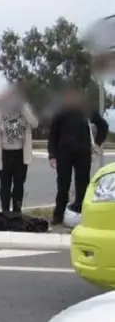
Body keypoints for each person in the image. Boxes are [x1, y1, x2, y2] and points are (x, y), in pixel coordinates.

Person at [48, 87, 109, 224]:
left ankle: (82, 213)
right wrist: (52, 155)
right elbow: (53, 134)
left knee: (83, 184)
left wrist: (97, 143)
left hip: (83, 152)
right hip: (63, 153)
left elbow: (103, 125)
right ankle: (58, 216)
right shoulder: (60, 111)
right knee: (63, 184)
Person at [0, 86, 39, 213]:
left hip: (20, 154)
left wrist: (23, 110)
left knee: (19, 184)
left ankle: (17, 211)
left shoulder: (24, 109)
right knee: (5, 185)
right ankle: (5, 211)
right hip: (4, 154)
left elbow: (35, 124)